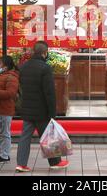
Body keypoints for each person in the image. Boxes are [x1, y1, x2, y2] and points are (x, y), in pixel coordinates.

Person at [16, 41, 69, 172]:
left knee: (25, 137)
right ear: (45, 53)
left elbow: (20, 89)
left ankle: (21, 164)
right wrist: (52, 112)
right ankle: (55, 162)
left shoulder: (23, 67)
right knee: (48, 136)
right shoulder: (45, 68)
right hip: (42, 110)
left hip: (27, 108)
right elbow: (49, 93)